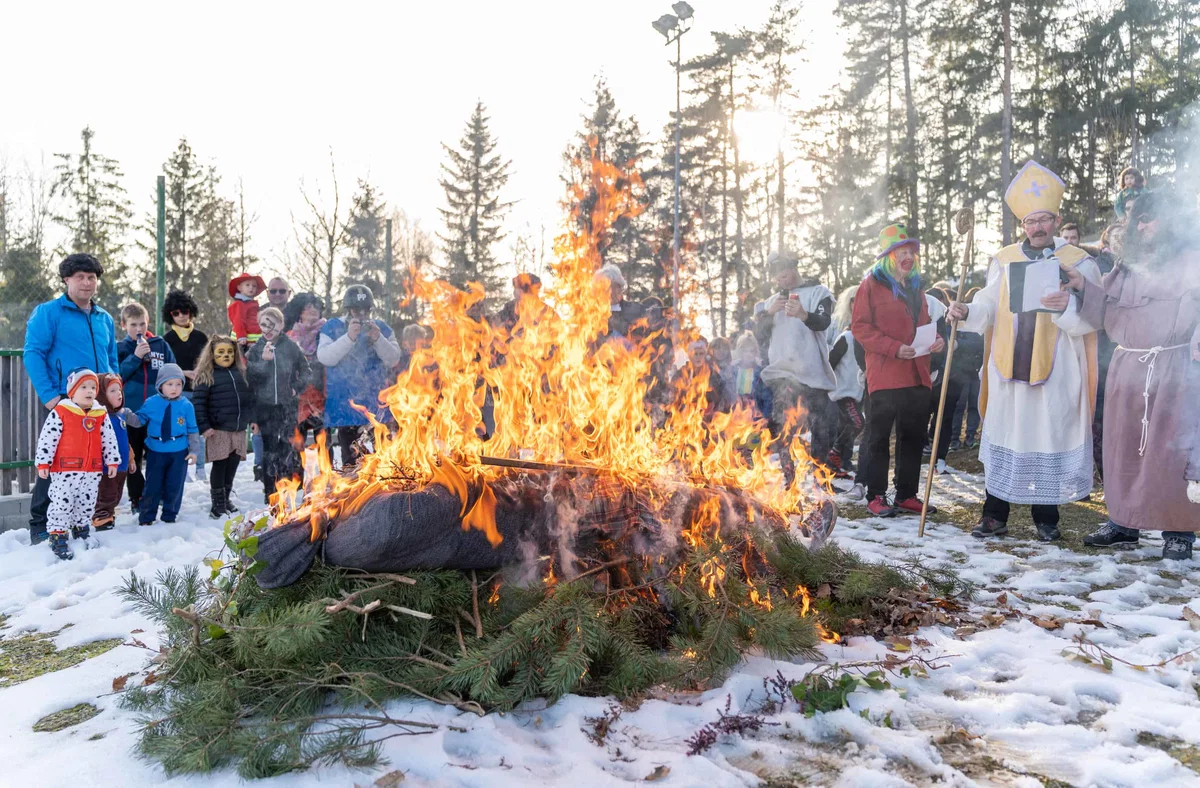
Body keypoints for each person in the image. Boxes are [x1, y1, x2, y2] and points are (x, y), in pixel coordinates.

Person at [948, 160, 1101, 541]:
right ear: (1022, 226)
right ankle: (993, 516)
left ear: (1056, 219)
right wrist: (967, 310)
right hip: (1007, 366)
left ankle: (1046, 519)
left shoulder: (1079, 262)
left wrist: (1065, 306)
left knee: (1043, 434)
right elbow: (987, 305)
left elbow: (1094, 318)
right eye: (1029, 222)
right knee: (1007, 433)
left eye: (1044, 219)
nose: (1037, 227)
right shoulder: (1003, 260)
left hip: (1056, 368)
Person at [1070, 193, 1200, 560]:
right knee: (1122, 447)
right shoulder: (1127, 267)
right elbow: (1103, 311)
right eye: (1137, 220)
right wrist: (1082, 286)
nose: (1141, 227)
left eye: (1148, 219)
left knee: (1171, 452)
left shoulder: (1192, 261)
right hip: (1128, 369)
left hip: (1174, 369)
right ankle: (1123, 522)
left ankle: (1178, 531)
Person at [23, 253, 120, 545]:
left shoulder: (105, 318)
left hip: (97, 405)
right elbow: (33, 353)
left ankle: (82, 520)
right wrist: (51, 397)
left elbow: (111, 358)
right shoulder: (49, 313)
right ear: (67, 280)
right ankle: (41, 524)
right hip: (65, 403)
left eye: (92, 278)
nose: (87, 283)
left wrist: (113, 392)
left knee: (91, 464)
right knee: (55, 463)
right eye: (80, 277)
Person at [851, 223, 944, 517]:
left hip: (917, 373)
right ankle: (875, 494)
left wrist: (936, 339)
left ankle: (906, 494)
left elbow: (926, 324)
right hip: (885, 374)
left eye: (911, 252)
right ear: (888, 257)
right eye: (901, 251)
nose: (908, 256)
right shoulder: (870, 285)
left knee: (913, 436)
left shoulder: (917, 288)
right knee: (879, 437)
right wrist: (893, 348)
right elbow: (860, 328)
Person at [755, 250, 837, 484]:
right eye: (776, 274)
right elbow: (758, 336)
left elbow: (823, 322)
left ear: (794, 267)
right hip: (782, 373)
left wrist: (803, 314)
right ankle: (788, 476)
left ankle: (821, 479)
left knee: (822, 427)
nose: (780, 277)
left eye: (784, 270)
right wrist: (769, 314)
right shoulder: (772, 302)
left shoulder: (818, 292)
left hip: (813, 373)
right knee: (782, 426)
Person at [34, 368, 121, 560]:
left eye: (92, 387)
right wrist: (43, 463)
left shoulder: (100, 414)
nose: (89, 391)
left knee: (87, 502)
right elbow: (48, 438)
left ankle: (81, 529)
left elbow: (109, 438)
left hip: (92, 469)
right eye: (83, 387)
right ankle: (57, 534)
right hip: (65, 470)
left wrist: (112, 460)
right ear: (72, 391)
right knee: (62, 504)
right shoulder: (62, 412)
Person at [317, 286, 403, 468]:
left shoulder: (381, 328)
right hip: (345, 407)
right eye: (357, 310)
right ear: (348, 310)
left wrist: (378, 338)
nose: (362, 314)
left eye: (366, 310)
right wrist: (349, 337)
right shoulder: (332, 327)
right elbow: (325, 357)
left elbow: (393, 359)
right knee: (352, 462)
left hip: (376, 405)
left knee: (384, 460)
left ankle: (383, 494)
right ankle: (355, 494)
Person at [117, 303, 176, 513]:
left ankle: (156, 493)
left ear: (148, 322)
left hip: (156, 414)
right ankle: (137, 496)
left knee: (156, 455)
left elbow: (172, 371)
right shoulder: (121, 348)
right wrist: (136, 357)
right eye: (133, 325)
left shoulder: (160, 345)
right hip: (130, 413)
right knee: (132, 455)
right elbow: (116, 376)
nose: (139, 329)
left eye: (142, 323)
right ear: (124, 325)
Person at [248, 307, 309, 502]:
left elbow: (306, 371)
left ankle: (289, 487)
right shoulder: (256, 349)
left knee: (288, 447)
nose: (268, 328)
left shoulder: (291, 347)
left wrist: (295, 388)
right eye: (264, 324)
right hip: (265, 407)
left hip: (287, 406)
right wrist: (264, 362)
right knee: (269, 450)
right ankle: (270, 492)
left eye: (272, 324)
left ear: (281, 325)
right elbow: (251, 378)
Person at [192, 336, 255, 518]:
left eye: (229, 352)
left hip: (238, 429)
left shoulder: (240, 373)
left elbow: (249, 399)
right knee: (220, 465)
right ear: (212, 354)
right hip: (218, 429)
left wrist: (251, 419)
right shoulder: (207, 376)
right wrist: (204, 426)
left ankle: (226, 497)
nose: (226, 355)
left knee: (233, 465)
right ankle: (217, 503)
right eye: (221, 352)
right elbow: (199, 404)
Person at [134, 364, 199, 526]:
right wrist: (125, 415)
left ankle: (169, 515)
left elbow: (192, 429)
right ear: (160, 385)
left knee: (174, 485)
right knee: (152, 485)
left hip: (179, 452)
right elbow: (139, 420)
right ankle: (147, 517)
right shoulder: (151, 403)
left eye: (178, 384)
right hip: (156, 451)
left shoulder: (186, 405)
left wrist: (194, 451)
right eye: (169, 384)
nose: (174, 388)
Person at [161, 290, 209, 482]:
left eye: (185, 310)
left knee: (198, 431)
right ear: (170, 314)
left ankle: (200, 468)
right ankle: (182, 469)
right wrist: (183, 373)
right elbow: (164, 368)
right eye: (176, 312)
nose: (181, 315)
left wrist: (202, 373)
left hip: (199, 392)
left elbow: (209, 361)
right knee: (179, 431)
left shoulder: (201, 337)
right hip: (176, 393)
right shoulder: (167, 339)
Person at [92, 373, 140, 531]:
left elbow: (124, 442)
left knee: (116, 494)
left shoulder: (119, 416)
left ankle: (109, 515)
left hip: (122, 466)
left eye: (119, 390)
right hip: (107, 468)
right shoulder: (100, 418)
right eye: (112, 391)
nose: (118, 394)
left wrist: (131, 459)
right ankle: (101, 519)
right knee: (106, 494)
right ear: (101, 395)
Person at [826, 287, 864, 480]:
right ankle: (834, 454)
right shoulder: (845, 338)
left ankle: (844, 462)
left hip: (858, 390)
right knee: (857, 423)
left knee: (847, 426)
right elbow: (830, 363)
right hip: (843, 392)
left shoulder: (865, 340)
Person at [285, 292, 328, 449]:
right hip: (297, 400)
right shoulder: (289, 337)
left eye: (316, 307)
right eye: (308, 307)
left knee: (325, 446)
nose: (313, 310)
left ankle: (328, 474)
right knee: (296, 447)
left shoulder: (328, 333)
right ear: (299, 311)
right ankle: (295, 475)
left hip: (321, 397)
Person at [947, 287, 985, 451]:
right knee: (959, 406)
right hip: (960, 372)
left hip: (975, 370)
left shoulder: (982, 322)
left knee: (975, 405)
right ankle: (954, 438)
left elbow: (982, 344)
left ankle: (970, 436)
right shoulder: (959, 322)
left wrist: (960, 344)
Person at [596, 265, 647, 341]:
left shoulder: (637, 310)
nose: (606, 291)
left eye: (609, 286)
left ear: (619, 287)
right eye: (602, 287)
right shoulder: (593, 316)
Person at [228, 272, 266, 344]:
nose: (251, 288)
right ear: (239, 288)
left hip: (255, 340)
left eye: (254, 286)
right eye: (247, 285)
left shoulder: (252, 303)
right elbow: (238, 321)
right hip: (244, 342)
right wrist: (241, 336)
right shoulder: (239, 304)